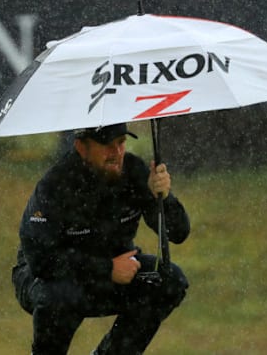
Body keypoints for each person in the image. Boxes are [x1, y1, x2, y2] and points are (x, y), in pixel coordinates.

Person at [12, 123, 191, 354]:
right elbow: (41, 261)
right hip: (47, 278)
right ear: (81, 147)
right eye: (107, 145)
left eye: (121, 143)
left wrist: (163, 198)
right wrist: (106, 268)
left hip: (113, 272)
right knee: (59, 295)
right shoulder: (55, 185)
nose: (116, 153)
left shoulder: (135, 171)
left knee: (169, 281)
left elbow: (178, 233)